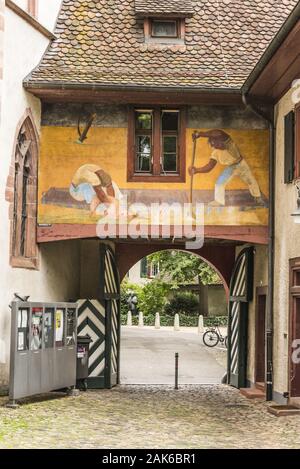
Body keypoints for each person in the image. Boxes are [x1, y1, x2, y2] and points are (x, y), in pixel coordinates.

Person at [189, 129, 266, 207]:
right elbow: (209, 167)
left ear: (219, 139)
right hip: (231, 167)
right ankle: (219, 201)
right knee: (219, 183)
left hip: (241, 164)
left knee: (251, 181)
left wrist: (200, 134)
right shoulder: (215, 153)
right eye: (213, 144)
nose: (215, 145)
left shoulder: (228, 143)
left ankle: (258, 198)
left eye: (216, 141)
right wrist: (196, 170)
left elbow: (218, 132)